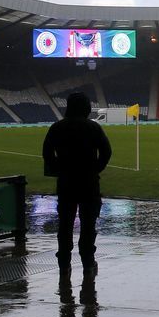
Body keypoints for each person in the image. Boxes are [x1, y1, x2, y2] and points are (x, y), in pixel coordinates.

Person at [42, 92, 112, 277]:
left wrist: (59, 169)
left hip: (66, 184)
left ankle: (64, 264)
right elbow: (106, 151)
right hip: (89, 183)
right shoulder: (93, 127)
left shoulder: (57, 127)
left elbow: (47, 153)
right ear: (86, 108)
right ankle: (88, 262)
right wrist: (96, 168)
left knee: (65, 225)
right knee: (88, 225)